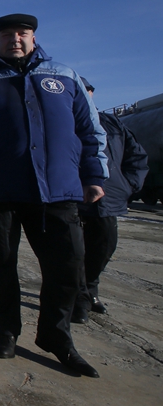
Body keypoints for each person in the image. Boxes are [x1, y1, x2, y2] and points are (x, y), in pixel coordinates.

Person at [0, 13, 107, 378]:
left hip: (57, 188)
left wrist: (95, 174)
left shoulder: (63, 75)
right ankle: (7, 331)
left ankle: (56, 337)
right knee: (2, 264)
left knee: (68, 264)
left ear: (33, 38)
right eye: (7, 34)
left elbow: (90, 130)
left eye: (23, 33)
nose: (16, 39)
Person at [74, 78, 148, 321]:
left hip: (108, 198)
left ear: (92, 93)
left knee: (103, 247)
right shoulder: (61, 122)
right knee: (72, 250)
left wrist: (129, 185)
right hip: (71, 197)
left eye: (84, 91)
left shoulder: (113, 124)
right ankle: (80, 298)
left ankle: (89, 289)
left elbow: (136, 156)